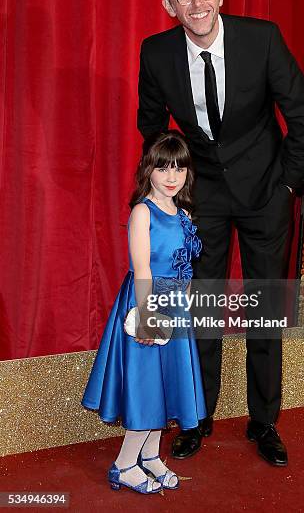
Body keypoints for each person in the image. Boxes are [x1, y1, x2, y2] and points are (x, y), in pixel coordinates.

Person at [138, 0, 304, 466]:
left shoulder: (260, 38)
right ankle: (199, 416)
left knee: (265, 311)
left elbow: (300, 112)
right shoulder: (156, 53)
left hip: (266, 193)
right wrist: (175, 190)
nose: (197, 2)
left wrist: (287, 185)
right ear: (169, 4)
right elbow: (152, 127)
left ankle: (264, 422)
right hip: (202, 200)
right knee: (203, 311)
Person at [82, 130, 206, 494]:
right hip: (147, 303)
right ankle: (123, 464)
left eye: (179, 169)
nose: (172, 177)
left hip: (175, 309)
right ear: (148, 169)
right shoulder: (142, 212)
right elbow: (143, 270)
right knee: (147, 387)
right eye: (164, 168)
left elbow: (184, 268)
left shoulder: (182, 212)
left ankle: (150, 456)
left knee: (166, 386)